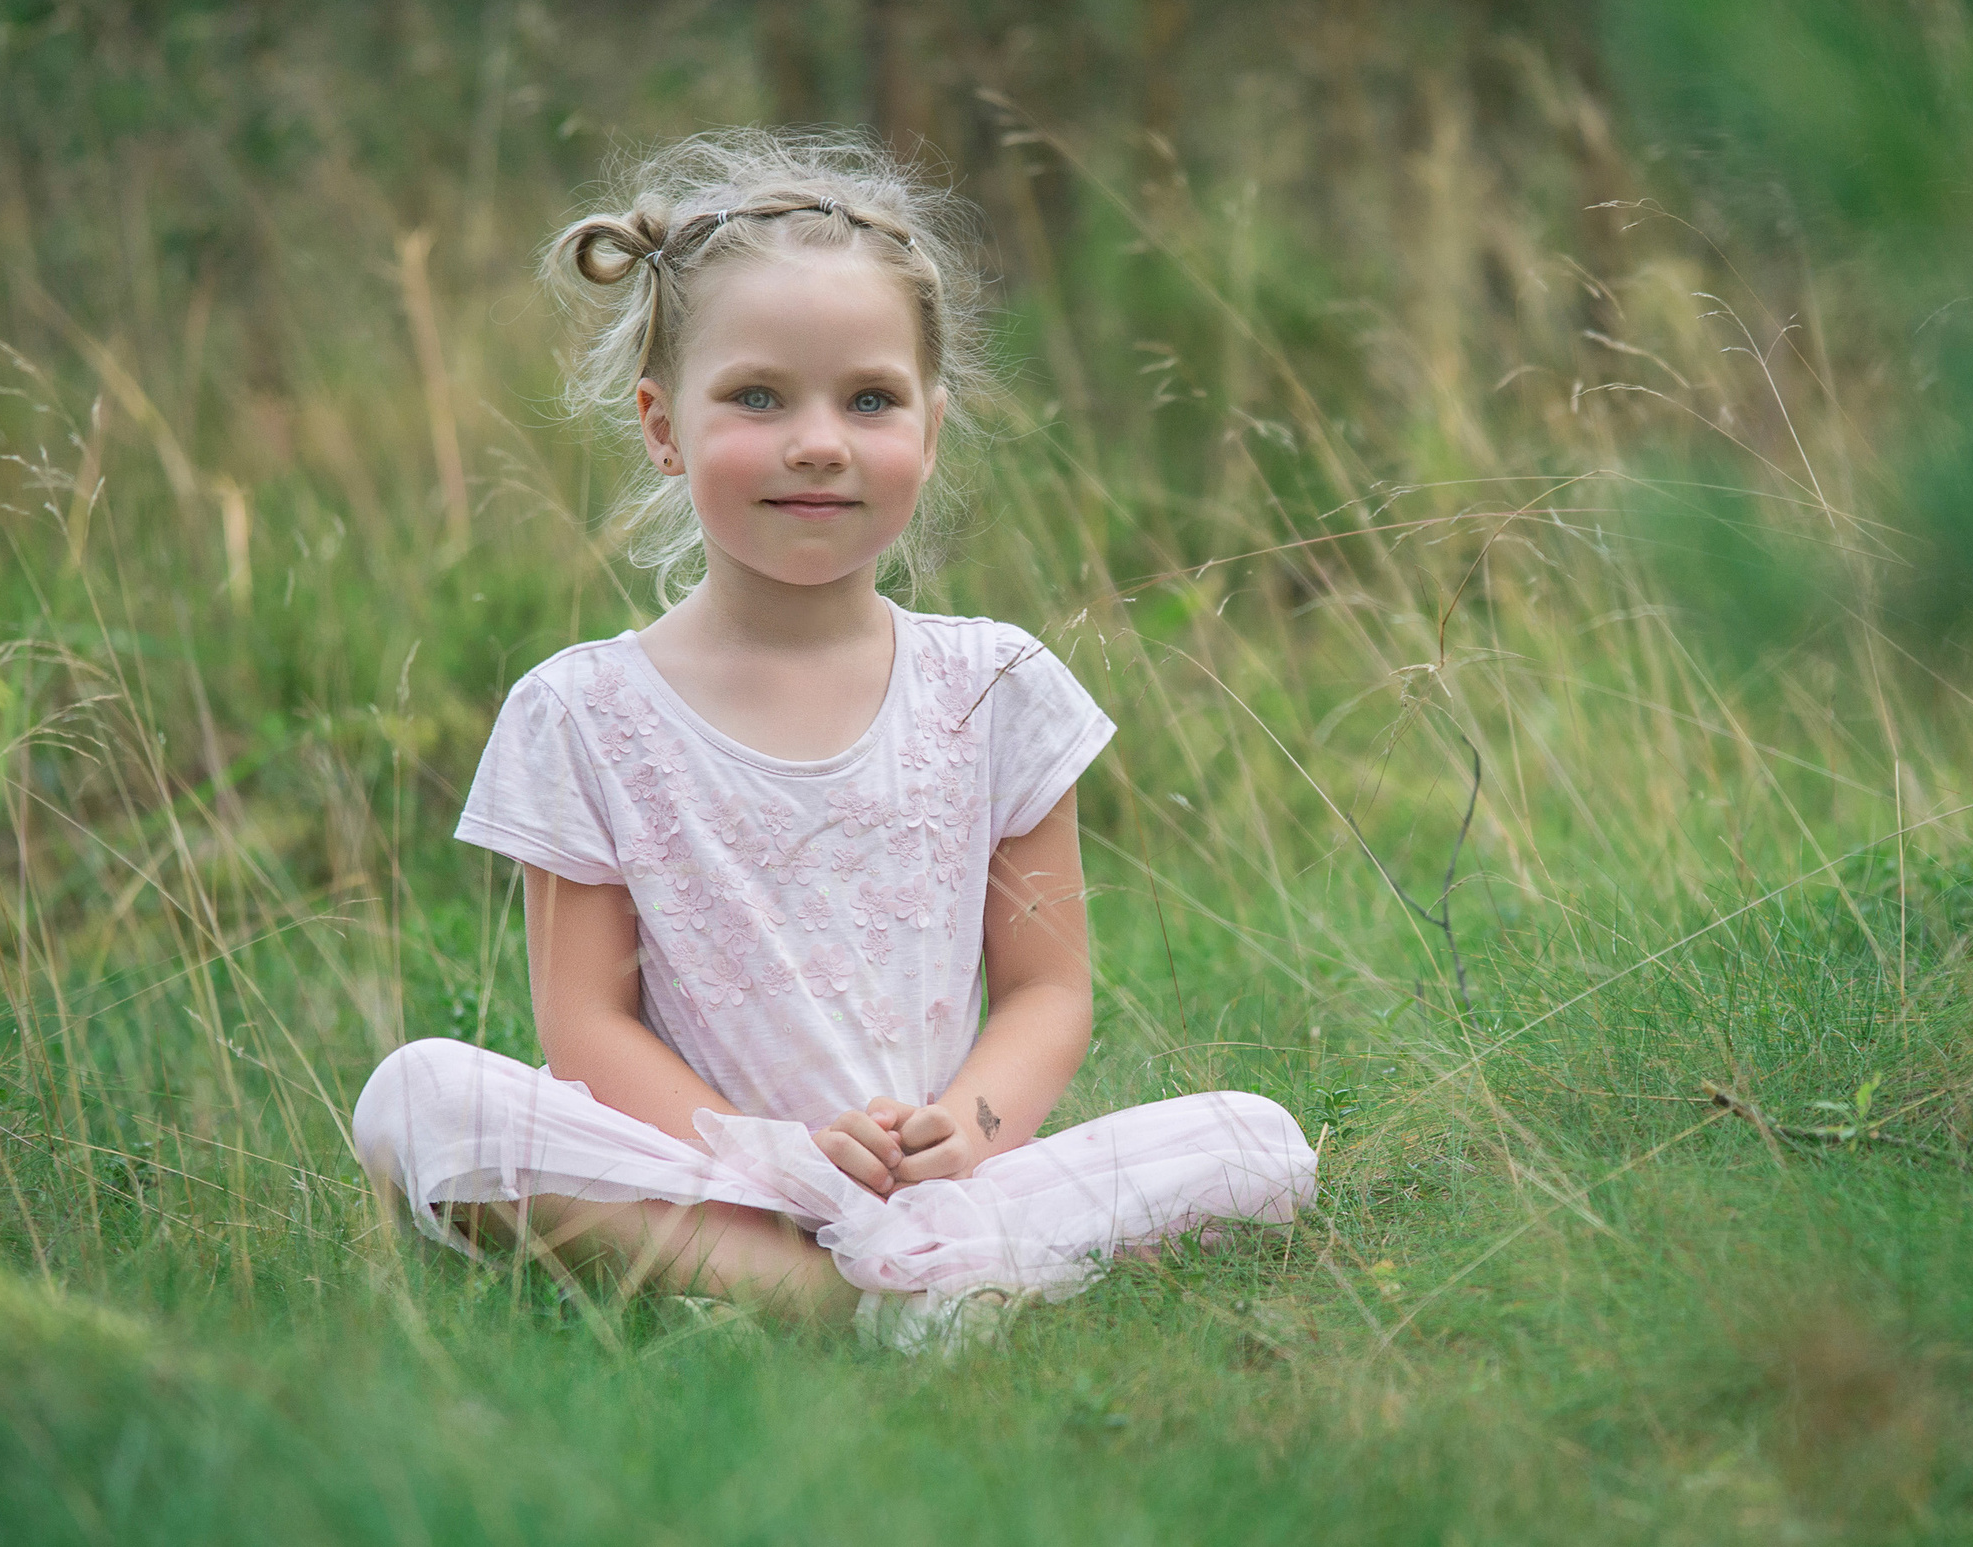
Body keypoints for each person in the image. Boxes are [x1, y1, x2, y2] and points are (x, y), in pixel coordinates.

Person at [351, 130, 1316, 1349]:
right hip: (709, 1176)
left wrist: (963, 1129)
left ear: (932, 422)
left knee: (1256, 1140)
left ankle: (914, 1268)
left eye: (869, 399)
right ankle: (844, 1301)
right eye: (758, 398)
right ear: (661, 424)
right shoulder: (582, 711)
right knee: (422, 1100)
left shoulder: (993, 684)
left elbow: (1047, 990)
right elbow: (584, 1028)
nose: (818, 440)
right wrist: (783, 1160)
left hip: (947, 1177)